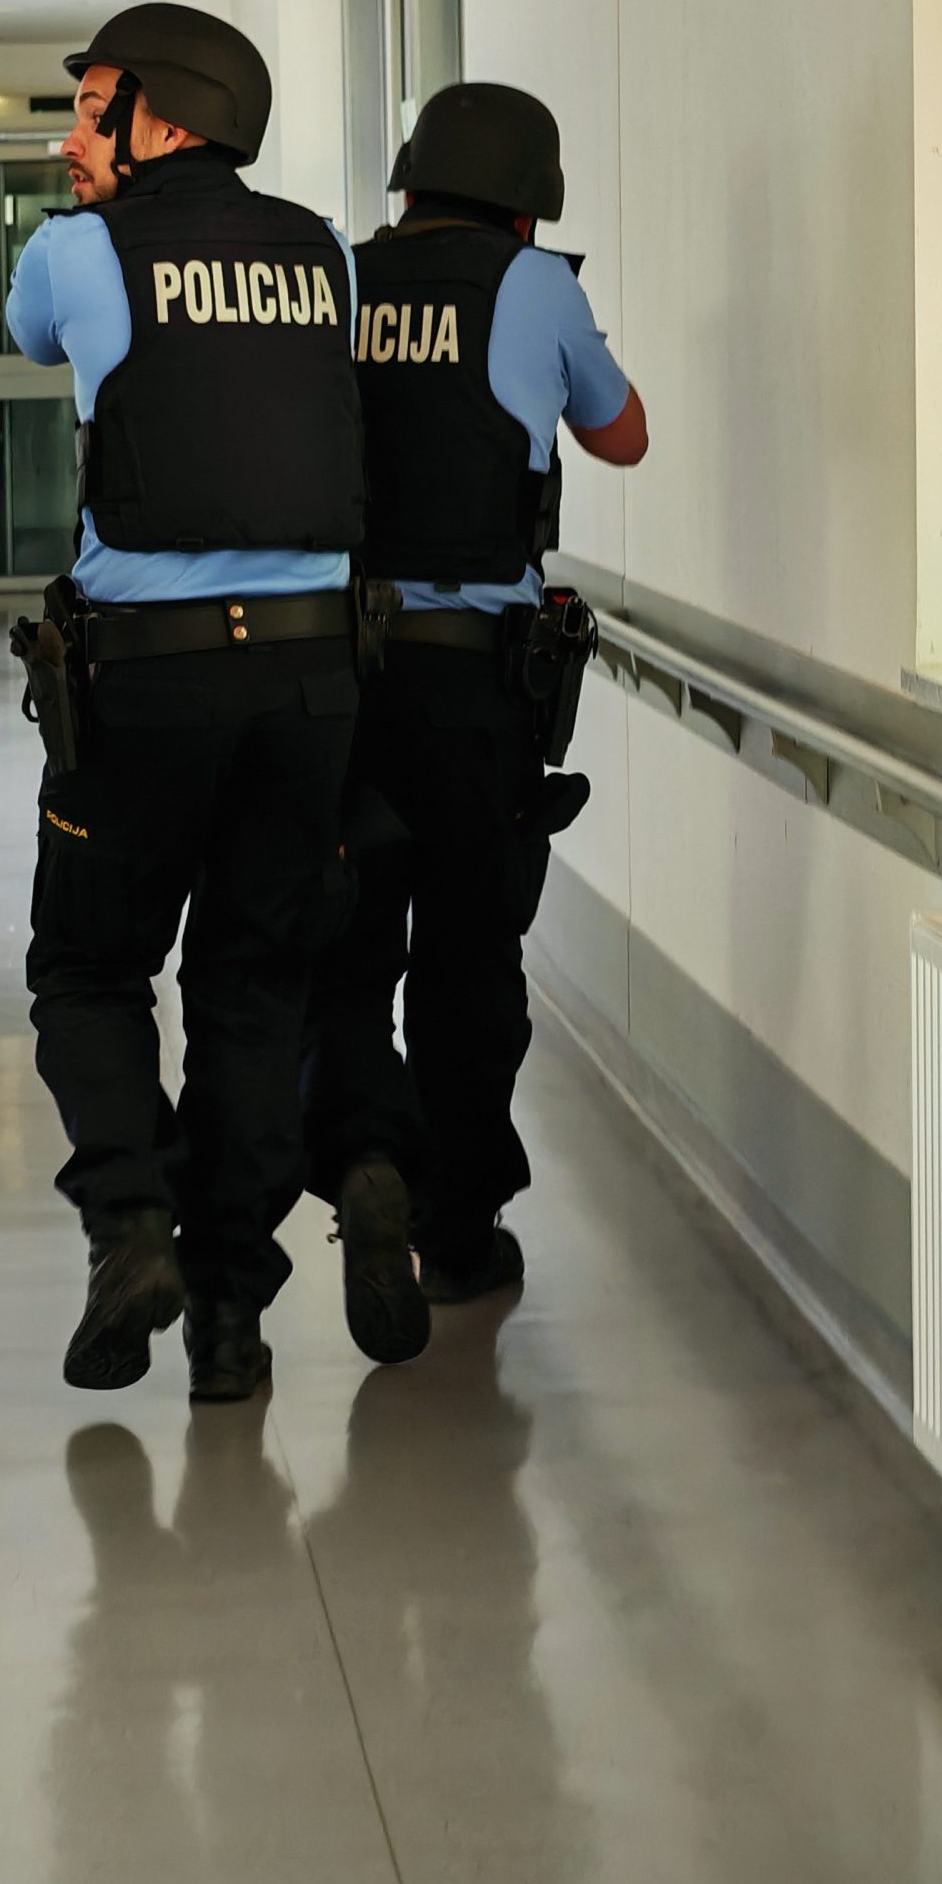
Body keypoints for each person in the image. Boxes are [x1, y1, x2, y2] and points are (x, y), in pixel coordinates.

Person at [6, 3, 365, 1406]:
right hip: (311, 680)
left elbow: (33, 337)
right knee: (253, 987)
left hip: (149, 680)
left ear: (161, 120)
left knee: (89, 969)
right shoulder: (323, 253)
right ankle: (231, 1320)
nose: (70, 137)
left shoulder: (76, 252)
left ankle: (132, 1223)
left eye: (91, 108)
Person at [302, 83, 648, 1364]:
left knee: (346, 946)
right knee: (466, 954)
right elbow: (623, 436)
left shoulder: (339, 275)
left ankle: (364, 1160)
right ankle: (455, 1230)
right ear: (526, 203)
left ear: (408, 183)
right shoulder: (533, 286)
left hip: (338, 671)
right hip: (471, 684)